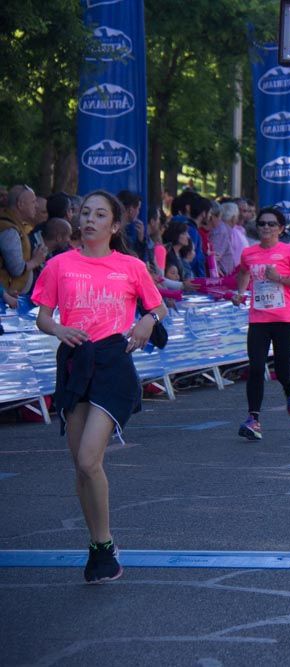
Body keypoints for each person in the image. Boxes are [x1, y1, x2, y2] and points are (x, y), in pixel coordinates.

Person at [31, 190, 167, 583]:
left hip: (113, 364)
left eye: (100, 214)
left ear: (115, 225)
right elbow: (42, 316)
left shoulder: (130, 265)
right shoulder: (59, 265)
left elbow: (157, 306)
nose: (89, 219)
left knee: (90, 458)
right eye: (85, 213)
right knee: (81, 465)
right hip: (75, 363)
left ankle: (104, 543)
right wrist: (58, 328)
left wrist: (147, 321)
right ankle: (97, 545)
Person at [231, 207, 290, 440]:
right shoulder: (249, 253)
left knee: (283, 369)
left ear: (281, 228)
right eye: (262, 223)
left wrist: (280, 279)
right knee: (255, 367)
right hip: (259, 319)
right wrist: (240, 292)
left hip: (284, 319)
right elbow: (244, 273)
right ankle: (253, 419)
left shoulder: (289, 251)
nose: (266, 227)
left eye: (271, 224)